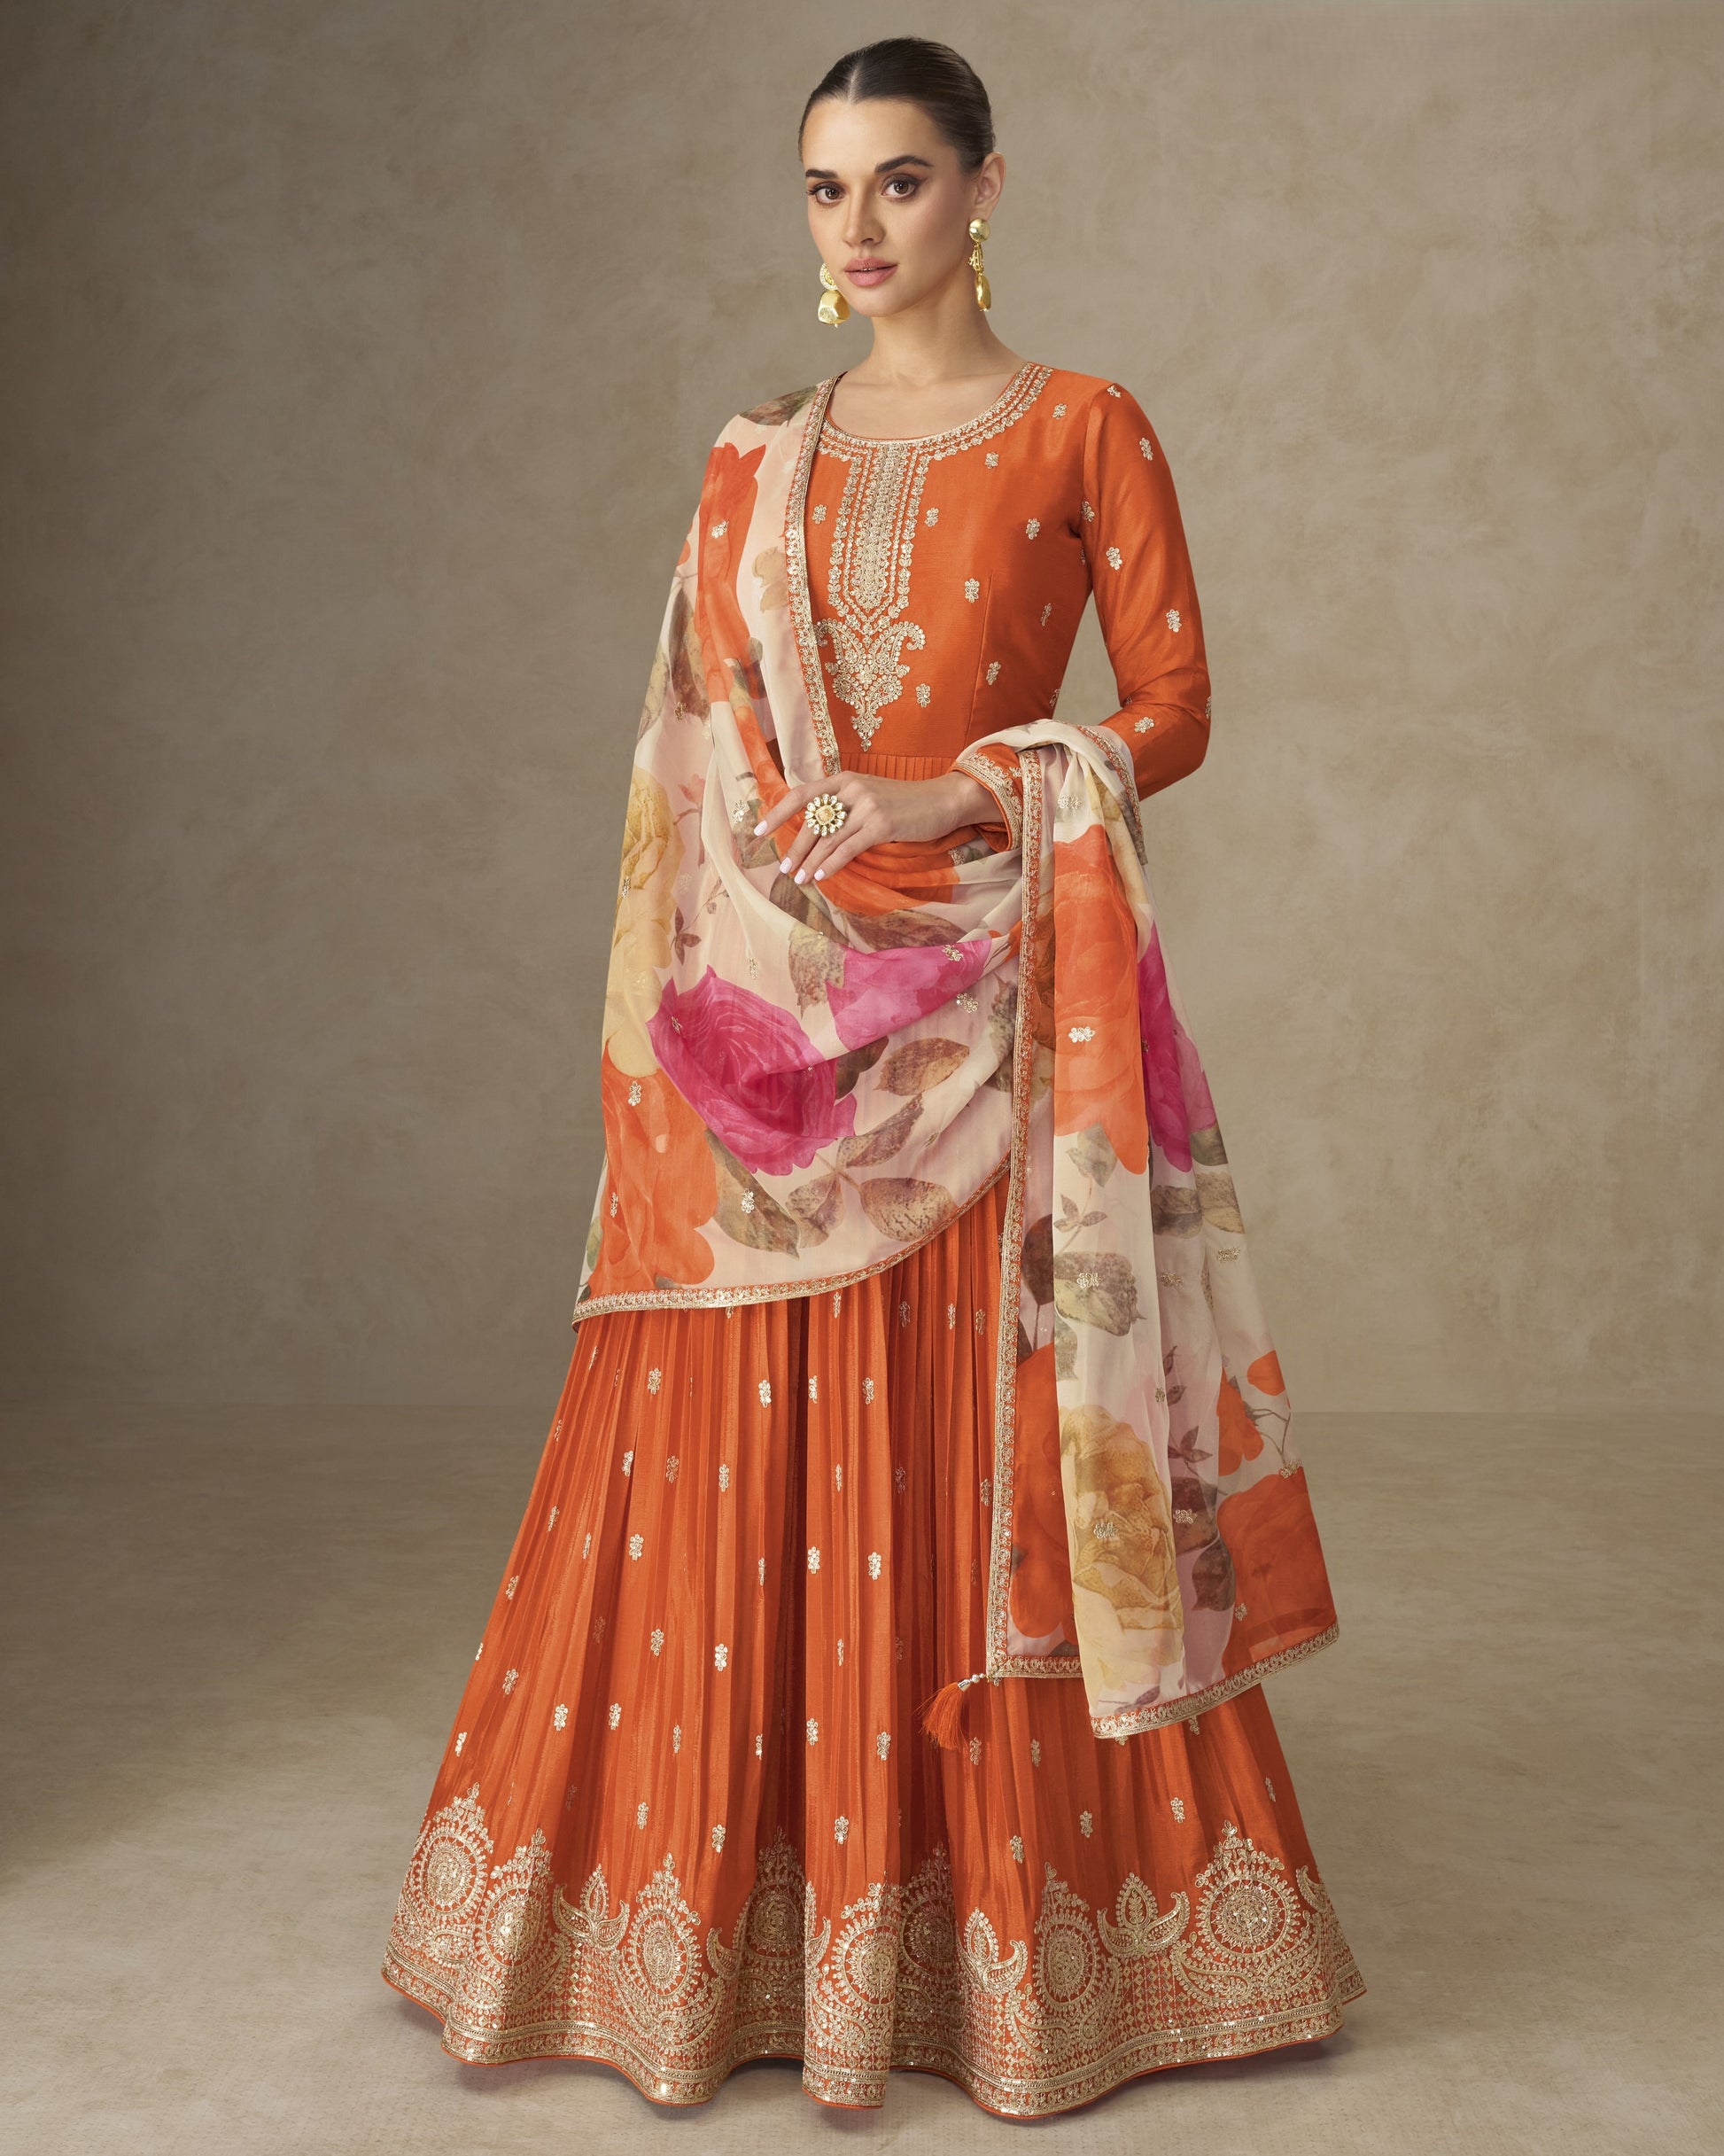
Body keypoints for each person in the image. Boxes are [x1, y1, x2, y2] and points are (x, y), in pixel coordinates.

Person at [382, 35, 1364, 2118]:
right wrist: (733, 958)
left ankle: (1014, 1955)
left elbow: (1170, 706)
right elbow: (697, 754)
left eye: (900, 182)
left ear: (986, 189)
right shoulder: (756, 457)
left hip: (993, 1014)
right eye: (826, 189)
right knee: (730, 1443)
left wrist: (962, 789)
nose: (859, 226)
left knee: (990, 1448)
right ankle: (708, 1933)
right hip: (774, 1034)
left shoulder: (1089, 424)